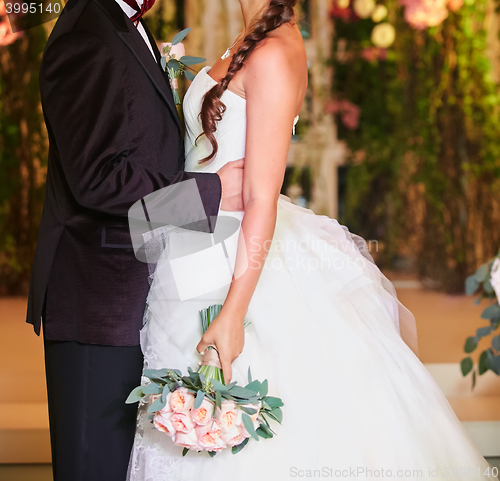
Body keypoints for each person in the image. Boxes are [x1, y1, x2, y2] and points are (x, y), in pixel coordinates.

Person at [127, 0, 498, 480]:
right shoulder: (249, 38)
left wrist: (234, 314)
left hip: (231, 256)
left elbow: (263, 197)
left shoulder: (276, 51)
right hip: (197, 237)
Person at [25, 0, 245, 479]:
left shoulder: (121, 23)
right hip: (96, 301)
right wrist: (211, 193)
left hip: (137, 297)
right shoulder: (85, 32)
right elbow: (97, 181)